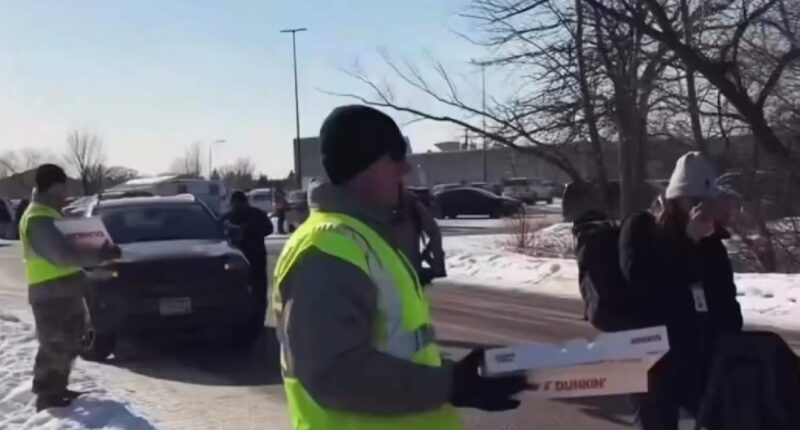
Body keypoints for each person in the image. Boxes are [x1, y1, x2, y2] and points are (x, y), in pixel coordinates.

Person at [271, 105, 528, 430]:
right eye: (396, 156)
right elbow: (334, 373)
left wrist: (455, 376)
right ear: (367, 164)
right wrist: (448, 385)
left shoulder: (363, 238)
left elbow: (396, 349)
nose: (405, 169)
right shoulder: (324, 251)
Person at [619, 152, 743, 430]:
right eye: (695, 201)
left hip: (699, 359)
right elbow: (642, 280)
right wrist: (687, 240)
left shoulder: (711, 245)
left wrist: (733, 346)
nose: (703, 210)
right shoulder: (641, 228)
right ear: (678, 200)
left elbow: (725, 300)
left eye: (708, 202)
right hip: (652, 360)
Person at [19, 164, 121, 411]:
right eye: (64, 187)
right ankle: (47, 395)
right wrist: (97, 255)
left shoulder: (50, 214)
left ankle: (57, 387)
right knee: (55, 343)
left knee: (69, 341)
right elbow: (61, 255)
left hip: (63, 290)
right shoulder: (38, 217)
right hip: (50, 293)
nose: (66, 192)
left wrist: (97, 262)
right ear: (54, 186)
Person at [222, 190, 273, 323]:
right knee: (259, 289)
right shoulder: (258, 214)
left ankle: (238, 318)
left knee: (236, 289)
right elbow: (269, 229)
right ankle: (259, 318)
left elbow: (217, 233)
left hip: (236, 259)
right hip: (256, 255)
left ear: (232, 202)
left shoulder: (227, 217)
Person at [397, 189, 446, 286]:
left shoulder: (365, 200)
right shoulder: (410, 201)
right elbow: (434, 232)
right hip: (409, 268)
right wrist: (437, 262)